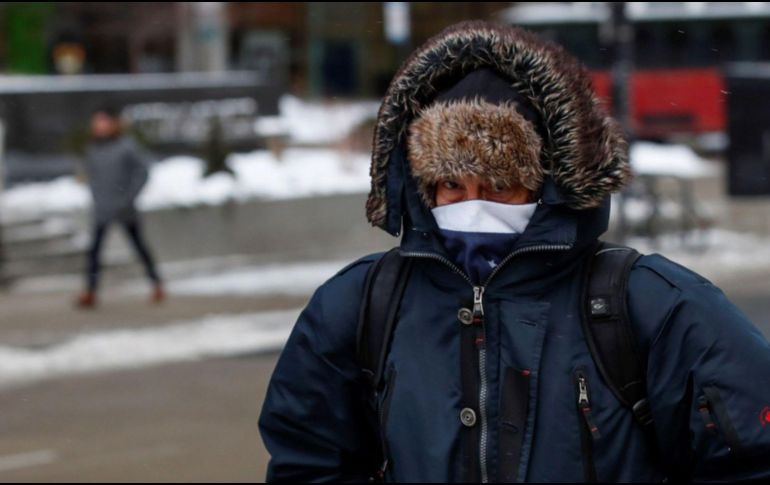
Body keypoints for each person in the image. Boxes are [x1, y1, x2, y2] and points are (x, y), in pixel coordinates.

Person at [258, 20, 770, 482]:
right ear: (423, 188)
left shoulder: (653, 306)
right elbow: (309, 463)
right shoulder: (360, 306)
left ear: (549, 184)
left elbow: (750, 457)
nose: (473, 206)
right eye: (452, 184)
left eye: (500, 185)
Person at [75, 106, 164, 308]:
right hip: (102, 208)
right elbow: (91, 175)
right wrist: (96, 196)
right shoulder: (93, 148)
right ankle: (90, 290)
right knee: (94, 251)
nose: (99, 126)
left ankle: (156, 283)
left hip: (125, 208)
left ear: (113, 123)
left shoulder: (126, 146)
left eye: (103, 121)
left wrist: (128, 197)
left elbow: (142, 172)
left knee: (139, 246)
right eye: (97, 122)